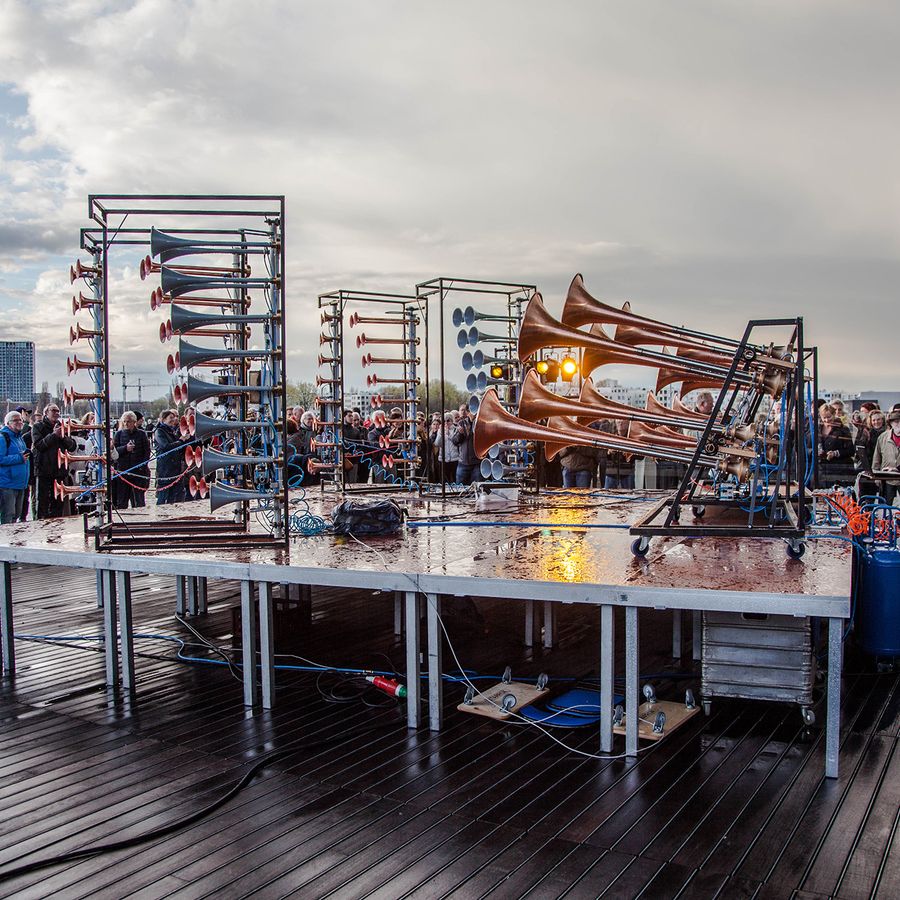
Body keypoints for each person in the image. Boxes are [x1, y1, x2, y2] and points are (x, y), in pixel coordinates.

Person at [31, 404, 76, 518]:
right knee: (42, 504)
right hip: (44, 471)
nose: (56, 413)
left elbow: (72, 446)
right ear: (46, 413)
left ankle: (56, 526)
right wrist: (54, 435)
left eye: (58, 411)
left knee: (58, 505)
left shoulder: (63, 426)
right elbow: (39, 445)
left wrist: (63, 437)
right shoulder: (37, 427)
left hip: (60, 472)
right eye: (53, 410)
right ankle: (41, 525)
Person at [113, 410, 151, 508]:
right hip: (123, 471)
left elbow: (147, 451)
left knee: (139, 500)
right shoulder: (119, 434)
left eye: (129, 421)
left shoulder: (141, 434)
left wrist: (142, 466)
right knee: (122, 501)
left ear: (134, 422)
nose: (126, 424)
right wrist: (125, 448)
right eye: (125, 421)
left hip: (138, 471)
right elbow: (114, 451)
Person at [0, 411, 30, 524]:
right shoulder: (3, 438)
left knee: (16, 514)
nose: (19, 422)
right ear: (8, 423)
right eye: (15, 420)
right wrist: (19, 458)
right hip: (7, 485)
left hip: (20, 484)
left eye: (20, 420)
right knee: (8, 515)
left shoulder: (19, 437)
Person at [154, 409, 186, 504]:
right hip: (165, 468)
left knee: (172, 496)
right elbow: (165, 446)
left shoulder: (171, 431)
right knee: (163, 495)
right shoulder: (159, 431)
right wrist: (181, 441)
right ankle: (160, 511)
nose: (173, 419)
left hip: (173, 468)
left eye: (174, 417)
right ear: (163, 419)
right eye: (170, 418)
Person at [819, 403, 854, 485]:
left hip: (839, 470)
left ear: (834, 415)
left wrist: (835, 453)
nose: (827, 420)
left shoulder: (843, 429)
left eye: (829, 417)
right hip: (822, 471)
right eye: (824, 418)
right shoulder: (816, 429)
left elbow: (851, 450)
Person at [872, 410, 900, 503]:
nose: (898, 424)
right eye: (896, 421)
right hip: (887, 478)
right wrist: (876, 475)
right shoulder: (883, 437)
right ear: (890, 423)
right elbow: (877, 457)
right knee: (885, 505)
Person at [450, 404, 479, 484]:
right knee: (460, 488)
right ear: (468, 412)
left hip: (477, 463)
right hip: (463, 463)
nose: (473, 413)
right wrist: (460, 434)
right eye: (470, 411)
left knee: (477, 487)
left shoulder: (481, 423)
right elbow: (454, 441)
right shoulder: (462, 423)